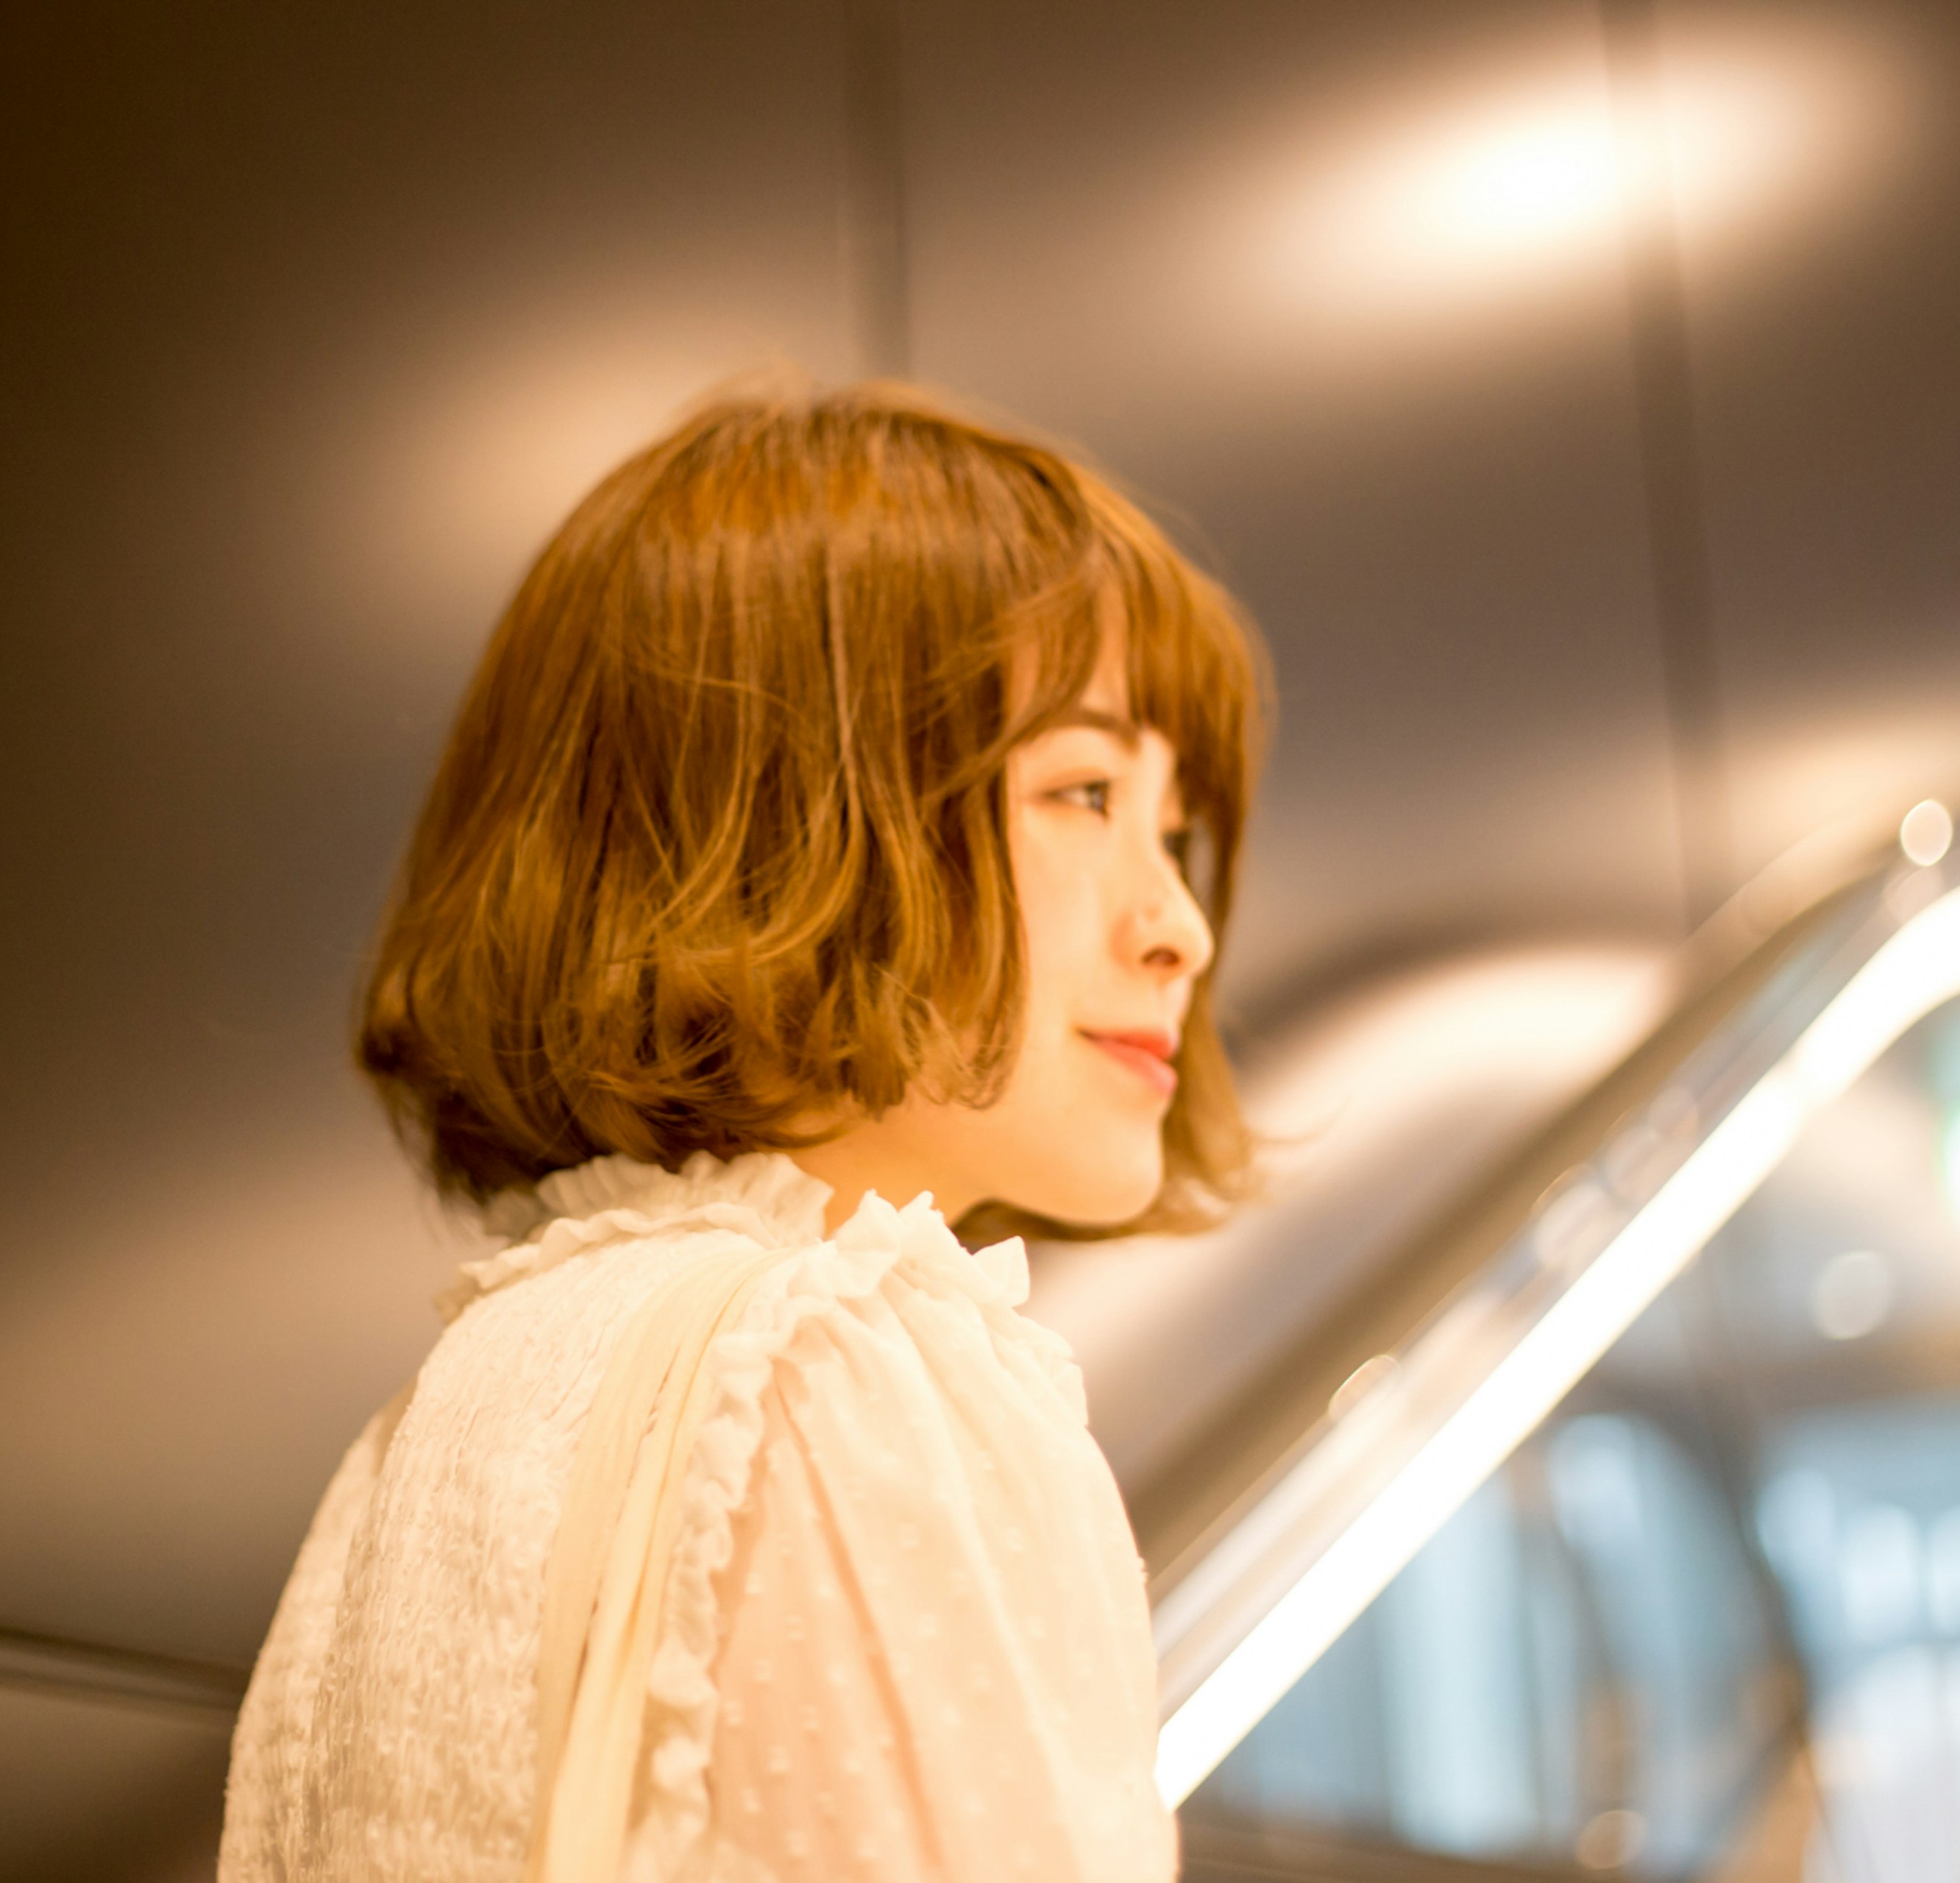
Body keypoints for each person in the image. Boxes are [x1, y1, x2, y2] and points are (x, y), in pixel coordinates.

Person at [220, 383, 1270, 1882]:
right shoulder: (853, 1367)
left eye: (1172, 828)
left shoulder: (442, 1419)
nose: (1179, 926)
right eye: (1083, 788)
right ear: (790, 804)